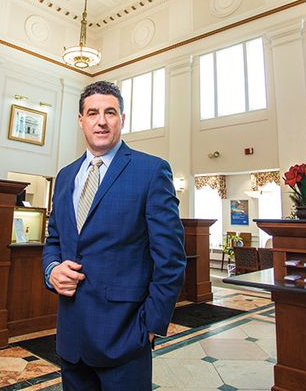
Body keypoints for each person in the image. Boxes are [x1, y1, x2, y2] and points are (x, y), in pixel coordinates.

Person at [42, 81, 186, 390]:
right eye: (92, 113)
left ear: (122, 118)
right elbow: (54, 239)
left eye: (110, 112)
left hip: (125, 338)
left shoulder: (151, 171)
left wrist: (149, 326)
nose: (101, 121)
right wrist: (51, 270)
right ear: (81, 120)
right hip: (71, 338)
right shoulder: (66, 175)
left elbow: (171, 260)